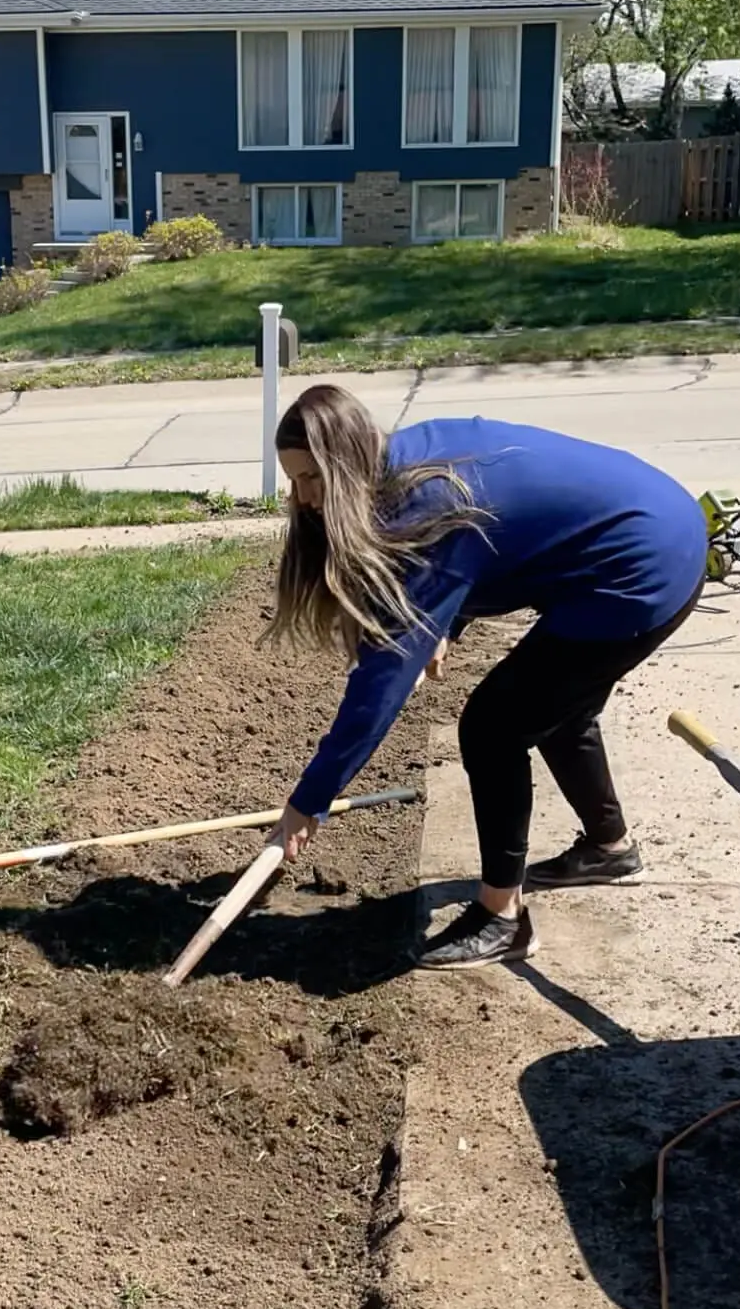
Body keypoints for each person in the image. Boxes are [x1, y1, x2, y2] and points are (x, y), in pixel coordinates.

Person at [266, 384, 706, 971]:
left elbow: (378, 688)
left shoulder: (422, 505)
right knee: (556, 704)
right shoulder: (402, 460)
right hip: (664, 522)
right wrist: (448, 623)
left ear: (345, 464)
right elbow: (498, 531)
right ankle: (610, 849)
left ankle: (503, 919)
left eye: (311, 479)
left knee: (493, 727)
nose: (303, 499)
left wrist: (310, 799)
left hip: (641, 567)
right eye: (294, 481)